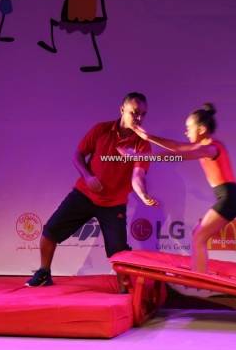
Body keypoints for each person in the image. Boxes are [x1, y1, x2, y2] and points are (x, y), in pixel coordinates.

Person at [27, 92, 157, 287]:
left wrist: (142, 193)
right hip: (84, 195)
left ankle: (125, 289)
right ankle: (44, 272)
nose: (139, 118)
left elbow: (138, 175)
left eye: (143, 114)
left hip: (114, 204)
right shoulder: (101, 130)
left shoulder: (143, 144)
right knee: (50, 231)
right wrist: (88, 177)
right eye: (135, 112)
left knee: (119, 252)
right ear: (122, 109)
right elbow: (78, 155)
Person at [119, 103, 236, 273]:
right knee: (198, 235)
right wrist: (148, 137)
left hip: (230, 198)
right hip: (229, 197)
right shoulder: (205, 146)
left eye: (189, 128)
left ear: (201, 129)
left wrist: (139, 156)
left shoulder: (211, 148)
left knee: (199, 237)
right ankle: (199, 273)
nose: (186, 132)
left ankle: (199, 278)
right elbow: (177, 146)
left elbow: (178, 154)